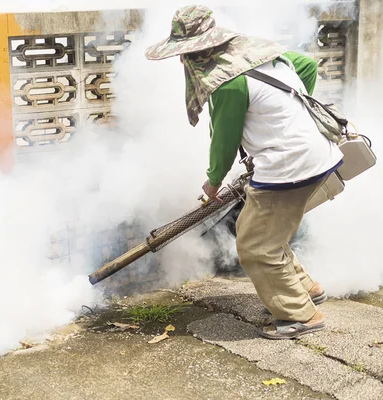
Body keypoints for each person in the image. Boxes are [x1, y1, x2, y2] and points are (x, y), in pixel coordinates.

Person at [145, 5, 344, 339]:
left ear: (197, 50)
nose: (183, 61)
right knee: (265, 232)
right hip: (314, 153)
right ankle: (305, 288)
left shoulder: (227, 84)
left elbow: (224, 140)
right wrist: (288, 117)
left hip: (288, 167)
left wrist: (213, 180)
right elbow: (308, 66)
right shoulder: (257, 51)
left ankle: (301, 316)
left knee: (255, 246)